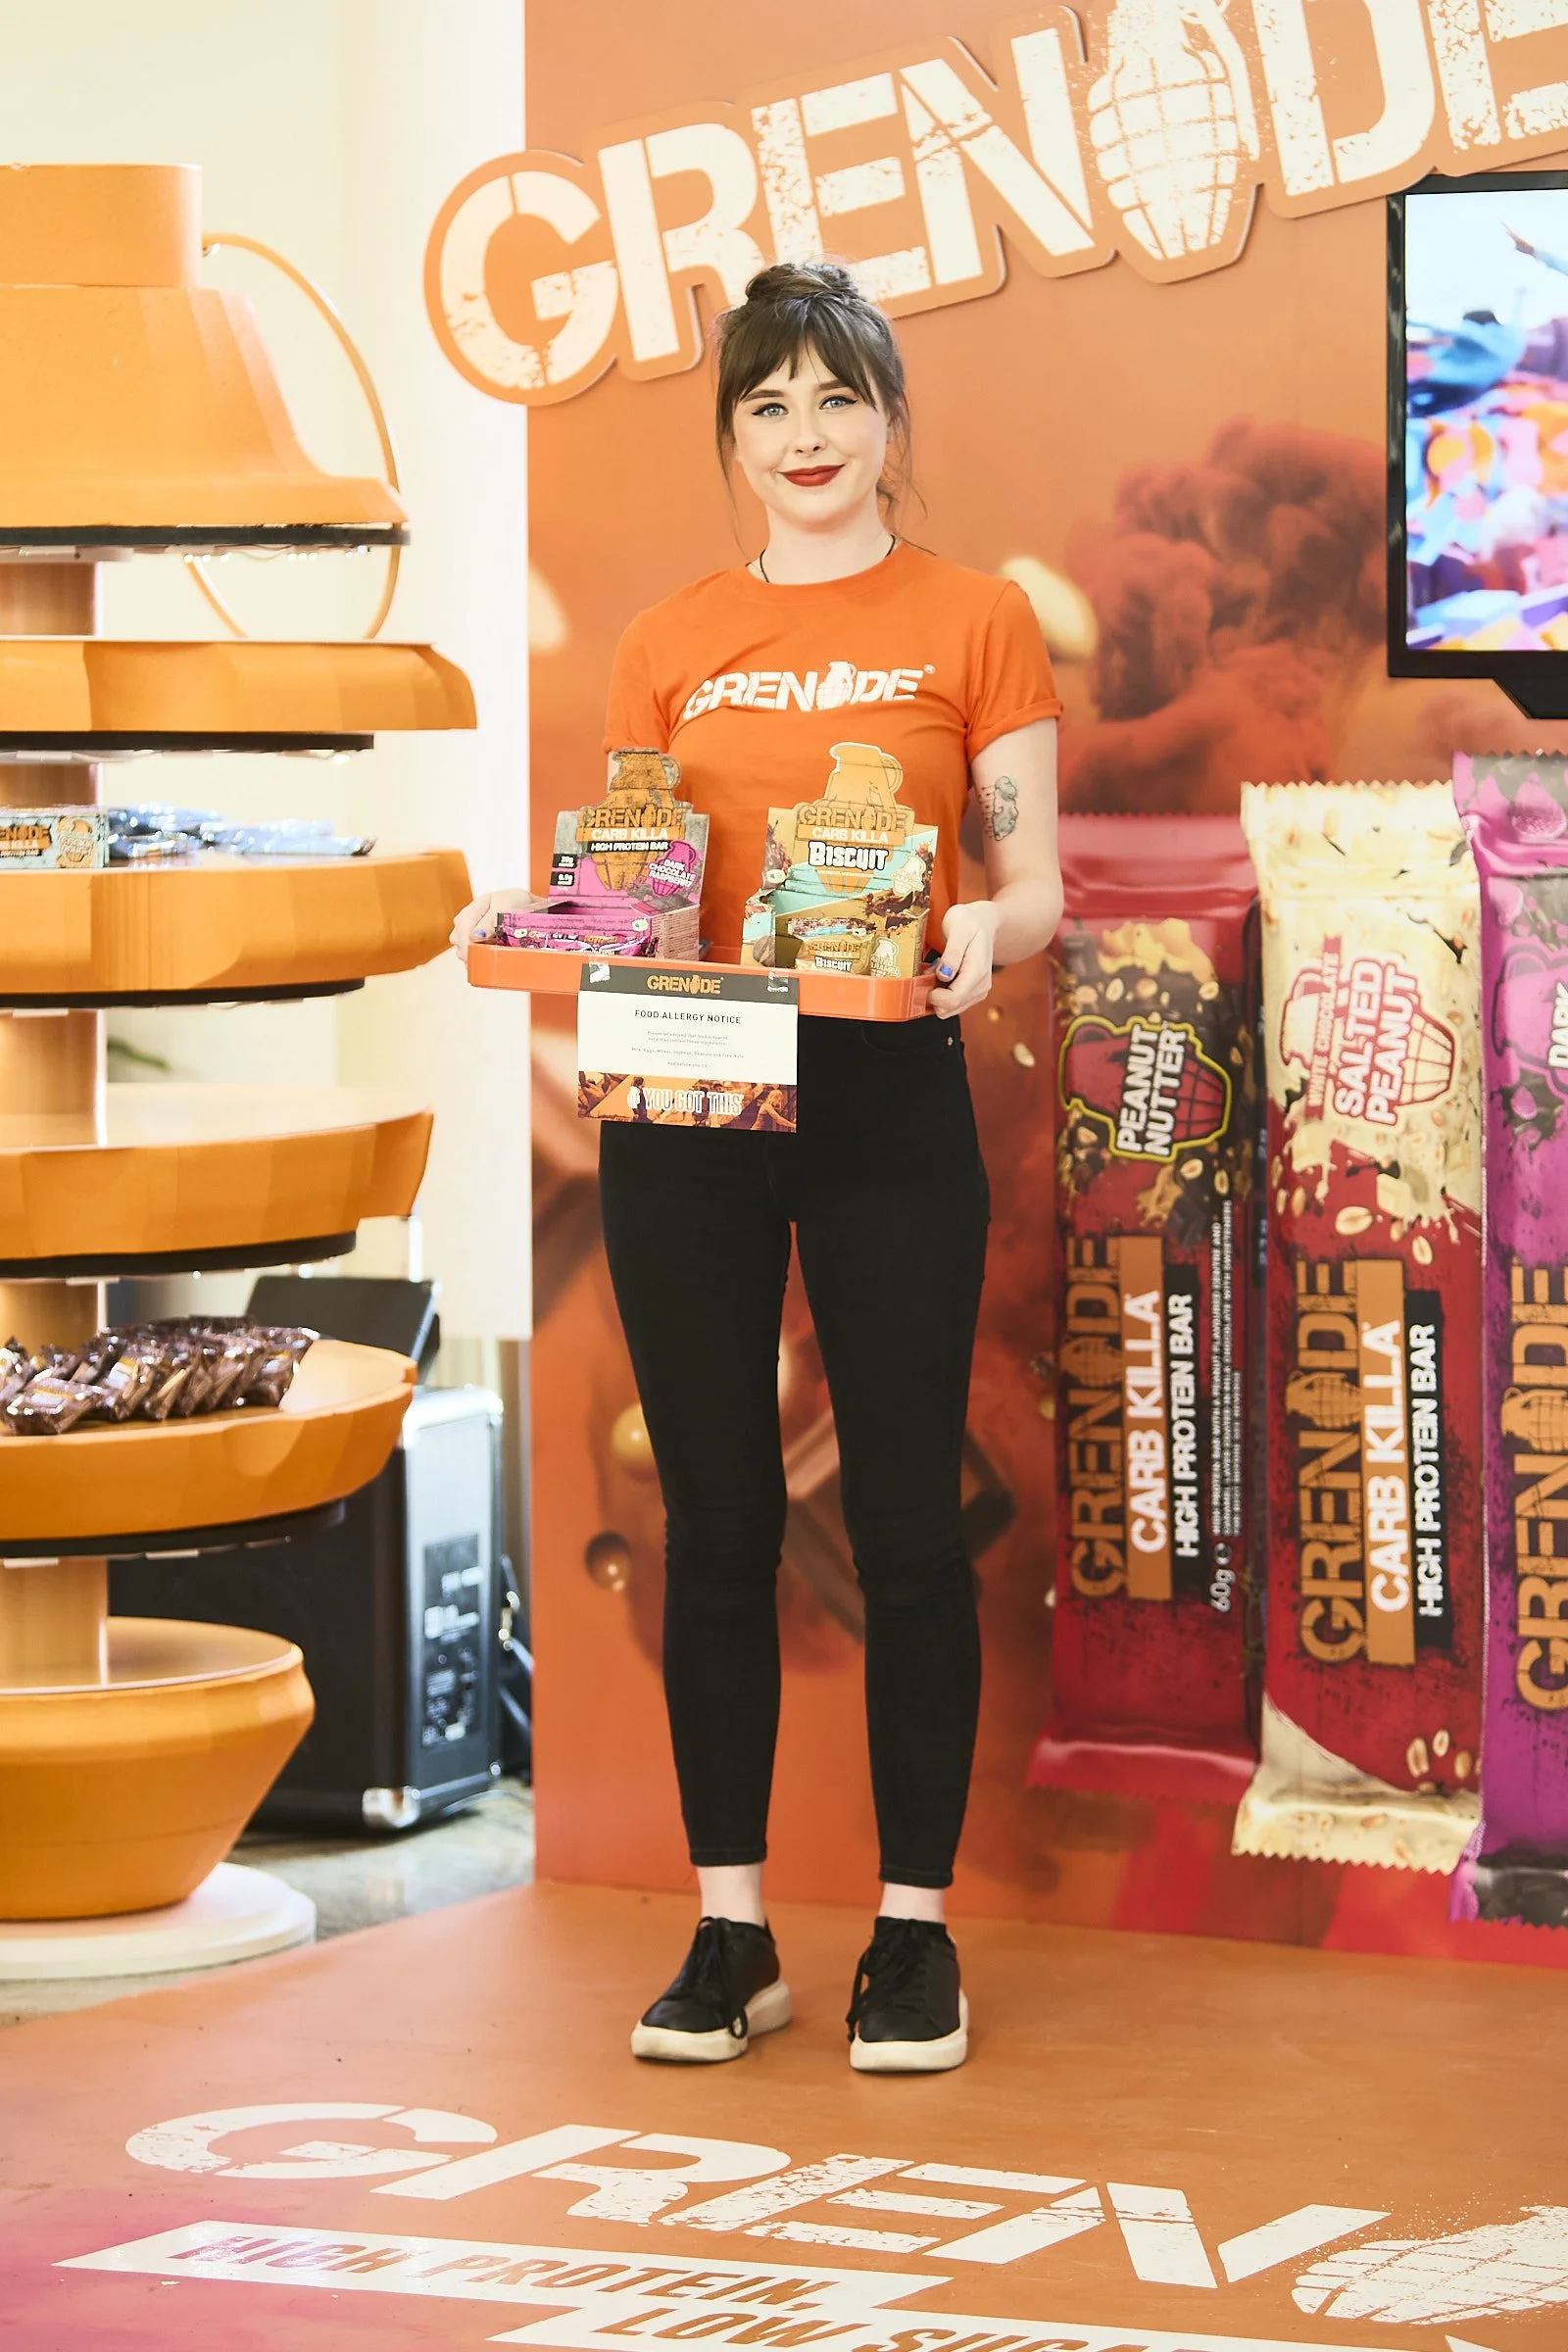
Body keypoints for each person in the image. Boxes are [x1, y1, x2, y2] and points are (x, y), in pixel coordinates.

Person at [454, 261, 1062, 2074]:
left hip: (887, 1092)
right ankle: (731, 1931)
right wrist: (552, 926)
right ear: (732, 438)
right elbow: (639, 885)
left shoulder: (976, 619)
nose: (806, 436)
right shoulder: (668, 639)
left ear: (889, 420)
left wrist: (984, 929)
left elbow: (1032, 873)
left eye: (836, 399)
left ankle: (913, 1936)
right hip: (687, 1095)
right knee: (717, 1518)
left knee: (902, 1525)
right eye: (769, 406)